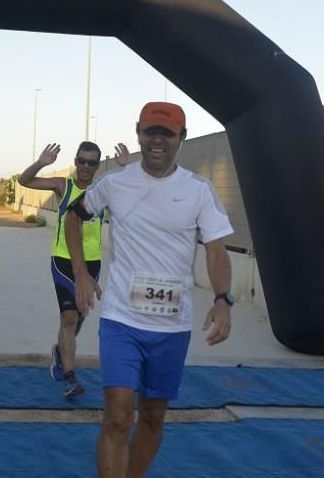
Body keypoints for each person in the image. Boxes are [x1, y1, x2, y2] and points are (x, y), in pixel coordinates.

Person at [65, 102, 234, 477]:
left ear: (181, 139)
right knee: (118, 415)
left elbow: (217, 250)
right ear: (138, 134)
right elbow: (73, 218)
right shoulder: (114, 183)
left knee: (154, 417)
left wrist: (223, 299)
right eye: (150, 132)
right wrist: (80, 272)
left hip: (172, 327)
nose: (157, 140)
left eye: (167, 133)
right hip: (121, 320)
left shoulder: (198, 190)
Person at [18, 140, 129, 399]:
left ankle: (60, 350)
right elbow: (24, 181)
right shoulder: (62, 185)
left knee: (78, 317)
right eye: (82, 161)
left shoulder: (105, 189)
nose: (86, 166)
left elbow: (135, 193)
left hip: (92, 263)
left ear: (98, 165)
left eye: (92, 162)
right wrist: (41, 163)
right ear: (76, 161)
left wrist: (126, 169)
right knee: (68, 316)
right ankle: (69, 377)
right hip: (63, 259)